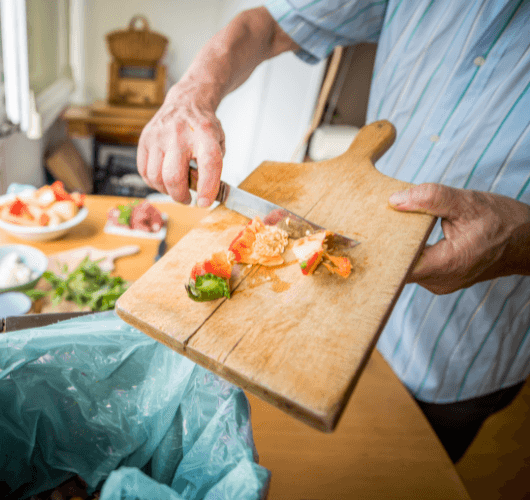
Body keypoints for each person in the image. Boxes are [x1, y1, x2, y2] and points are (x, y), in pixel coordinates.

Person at [137, 0, 530, 463]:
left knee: (395, 475)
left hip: (457, 349)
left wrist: (518, 239)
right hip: (323, 321)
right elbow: (265, 26)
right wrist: (188, 96)